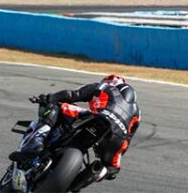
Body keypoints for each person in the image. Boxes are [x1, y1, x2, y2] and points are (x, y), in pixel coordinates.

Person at [10, 74, 141, 184]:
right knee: (109, 169)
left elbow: (73, 94)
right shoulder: (137, 113)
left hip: (98, 117)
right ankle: (81, 181)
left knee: (55, 106)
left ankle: (36, 141)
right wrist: (112, 167)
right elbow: (128, 139)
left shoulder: (104, 87)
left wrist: (49, 98)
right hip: (117, 138)